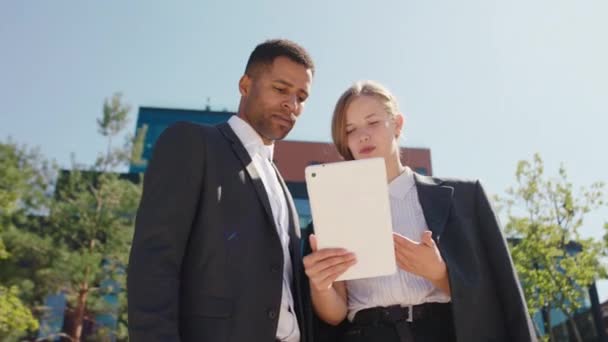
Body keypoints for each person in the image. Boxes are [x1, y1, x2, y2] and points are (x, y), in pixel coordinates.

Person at [303, 80, 537, 342]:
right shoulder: (334, 211)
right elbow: (335, 314)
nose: (363, 136)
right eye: (350, 129)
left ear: (398, 124)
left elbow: (499, 292)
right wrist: (321, 286)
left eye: (373, 122)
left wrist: (439, 274)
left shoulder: (464, 198)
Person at [127, 39, 315, 342]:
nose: (292, 105)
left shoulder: (283, 188)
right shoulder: (192, 143)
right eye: (281, 89)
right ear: (245, 84)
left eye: (301, 96)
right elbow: (154, 261)